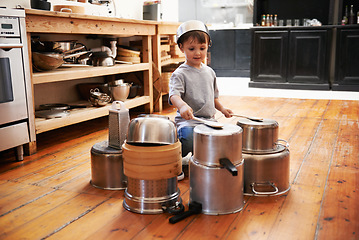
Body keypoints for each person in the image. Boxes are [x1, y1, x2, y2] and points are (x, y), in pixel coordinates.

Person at [169, 20, 233, 179]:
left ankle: (204, 161)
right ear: (181, 48)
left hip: (209, 120)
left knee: (221, 139)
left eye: (202, 48)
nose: (197, 53)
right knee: (190, 136)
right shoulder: (180, 73)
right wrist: (182, 106)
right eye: (191, 49)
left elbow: (214, 98)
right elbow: (173, 95)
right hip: (189, 121)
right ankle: (174, 162)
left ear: (208, 47)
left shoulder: (210, 72)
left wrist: (223, 109)